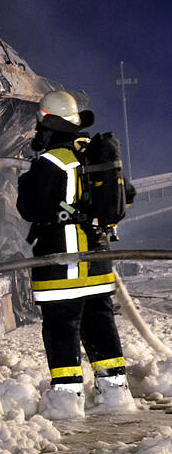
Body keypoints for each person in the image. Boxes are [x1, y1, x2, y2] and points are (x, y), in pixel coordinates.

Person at [16, 90, 133, 418]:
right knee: (100, 323)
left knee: (61, 327)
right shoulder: (95, 153)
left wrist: (29, 177)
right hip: (97, 260)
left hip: (62, 262)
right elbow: (129, 193)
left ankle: (67, 403)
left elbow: (29, 208)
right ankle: (115, 395)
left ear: (47, 124)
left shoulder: (51, 162)